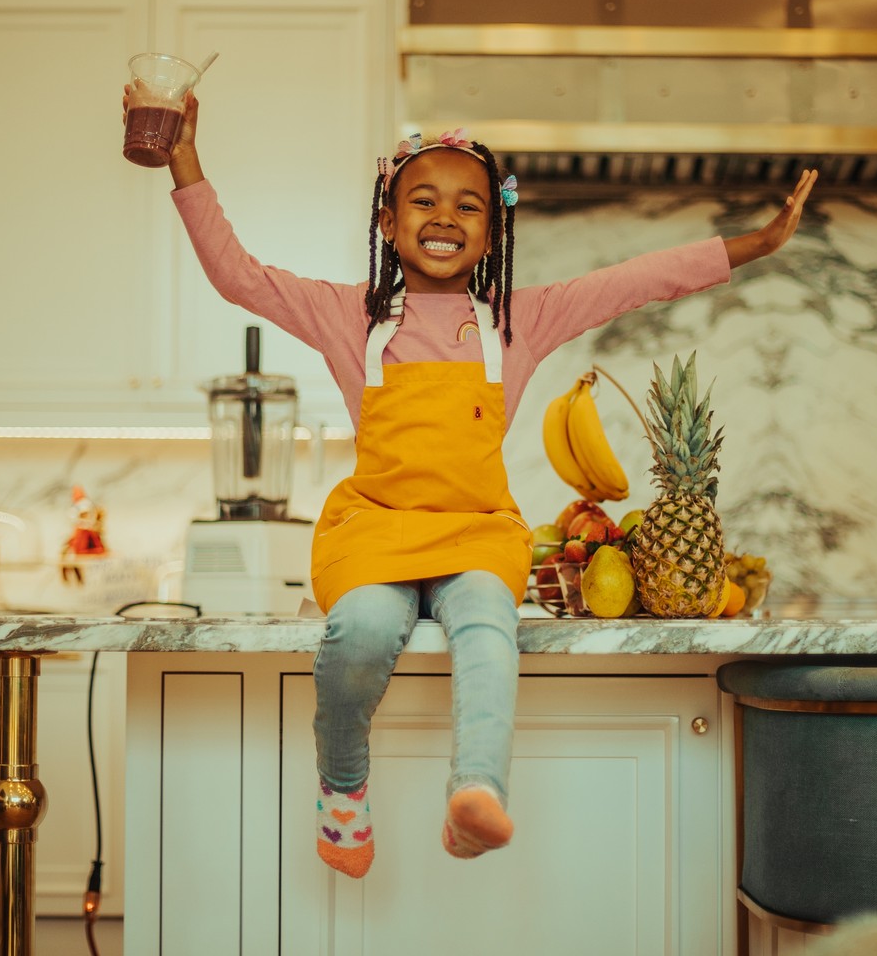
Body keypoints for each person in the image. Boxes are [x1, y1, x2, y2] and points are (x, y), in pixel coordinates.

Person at [123, 85, 817, 880]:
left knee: (490, 628)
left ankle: (475, 797)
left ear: (494, 231)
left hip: (477, 533)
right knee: (358, 639)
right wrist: (185, 160)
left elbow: (635, 280)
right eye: (422, 200)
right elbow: (238, 275)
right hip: (377, 530)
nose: (445, 217)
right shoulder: (350, 316)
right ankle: (343, 792)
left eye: (468, 206)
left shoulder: (517, 320)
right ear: (387, 220)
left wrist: (752, 244)